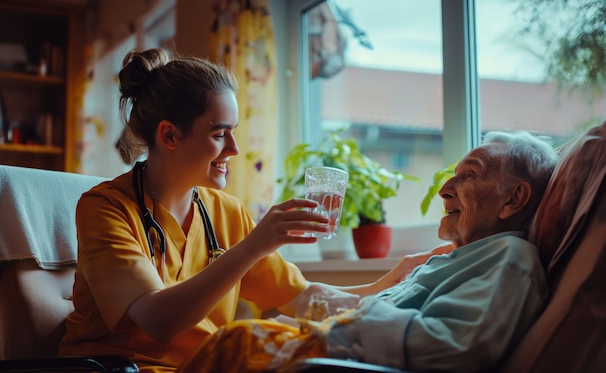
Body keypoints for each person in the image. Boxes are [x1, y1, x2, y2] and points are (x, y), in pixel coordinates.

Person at [58, 48, 365, 373]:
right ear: (170, 135)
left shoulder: (226, 212)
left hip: (203, 367)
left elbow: (303, 299)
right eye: (219, 134)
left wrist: (402, 285)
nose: (234, 149)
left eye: (233, 132)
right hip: (122, 369)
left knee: (314, 347)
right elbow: (157, 321)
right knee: (248, 341)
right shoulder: (105, 209)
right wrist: (251, 248)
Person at [178, 130, 559, 373]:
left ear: (513, 199)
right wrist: (388, 284)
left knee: (235, 343)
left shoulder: (509, 259)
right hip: (330, 349)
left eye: (470, 175)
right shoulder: (458, 258)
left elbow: (457, 348)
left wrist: (339, 331)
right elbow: (310, 301)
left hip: (341, 360)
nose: (446, 188)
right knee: (236, 341)